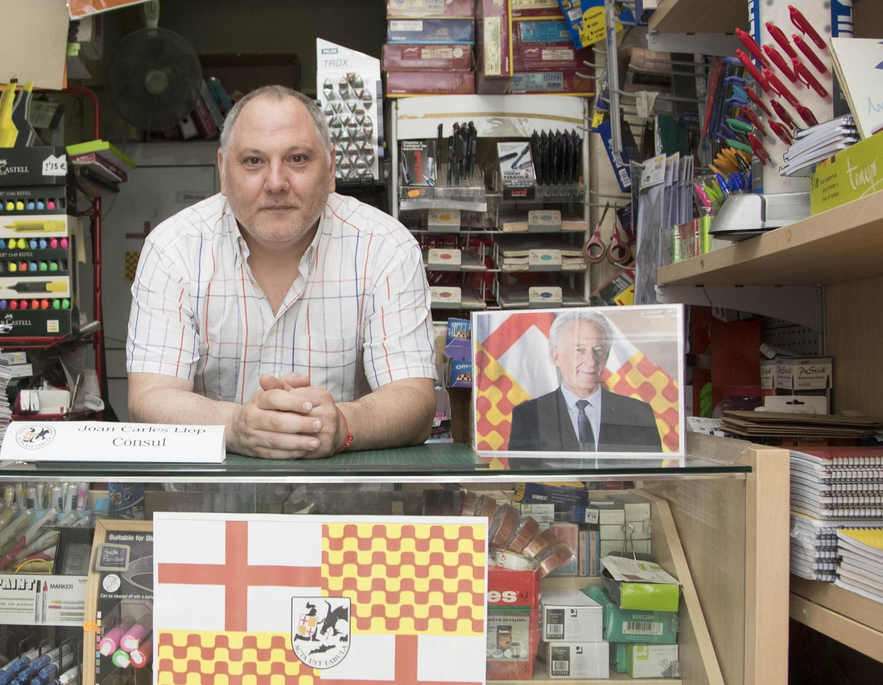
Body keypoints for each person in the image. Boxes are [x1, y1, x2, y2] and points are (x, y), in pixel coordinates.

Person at [126, 85, 436, 459]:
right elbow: (150, 397)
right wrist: (236, 426)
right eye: (253, 161)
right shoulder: (172, 249)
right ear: (223, 172)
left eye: (298, 158)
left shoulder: (387, 248)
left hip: (345, 506)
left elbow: (415, 402)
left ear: (332, 167)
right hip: (211, 505)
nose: (276, 183)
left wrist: (342, 424)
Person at [507, 311, 662, 454]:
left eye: (598, 350)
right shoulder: (528, 415)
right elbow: (525, 477)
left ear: (606, 356)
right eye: (580, 350)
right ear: (556, 356)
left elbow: (649, 478)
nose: (591, 361)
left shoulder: (639, 414)